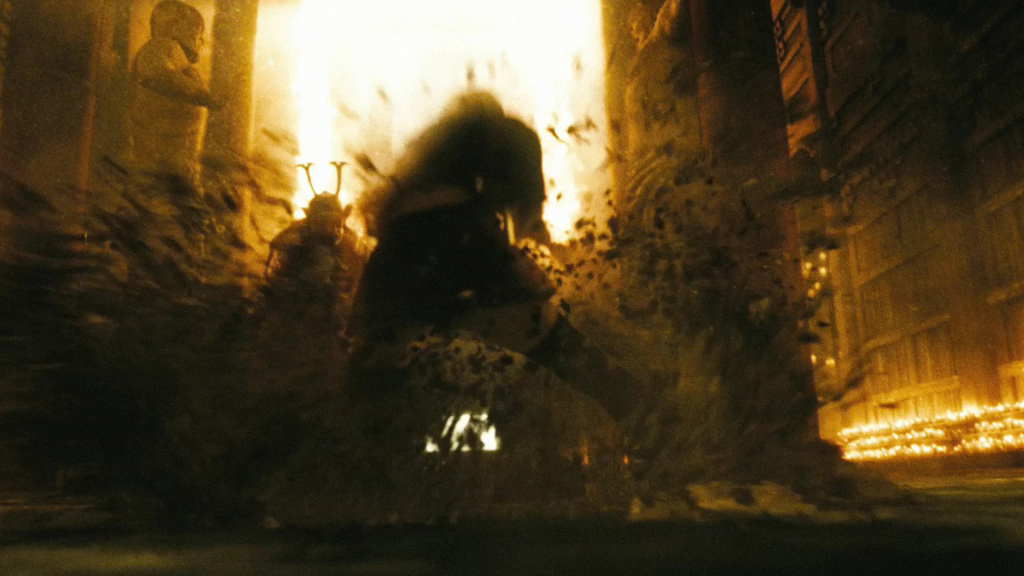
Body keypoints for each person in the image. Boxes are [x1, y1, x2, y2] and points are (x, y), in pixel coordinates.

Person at [128, 0, 220, 190]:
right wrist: (205, 97)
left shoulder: (176, 57)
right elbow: (160, 75)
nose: (202, 40)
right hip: (158, 163)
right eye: (197, 32)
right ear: (175, 27)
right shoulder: (162, 46)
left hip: (174, 165)